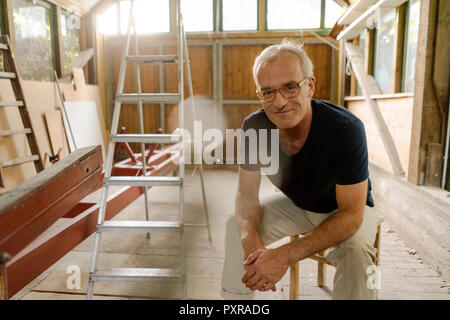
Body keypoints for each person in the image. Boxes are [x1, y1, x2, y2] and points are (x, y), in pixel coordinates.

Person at [221, 40, 378, 300]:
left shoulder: (345, 129)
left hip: (344, 209)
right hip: (299, 205)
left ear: (310, 86)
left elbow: (352, 214)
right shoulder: (255, 127)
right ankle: (236, 302)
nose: (279, 102)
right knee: (233, 225)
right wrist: (250, 237)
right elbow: (246, 195)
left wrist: (282, 257)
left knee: (357, 251)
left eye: (290, 87)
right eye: (267, 92)